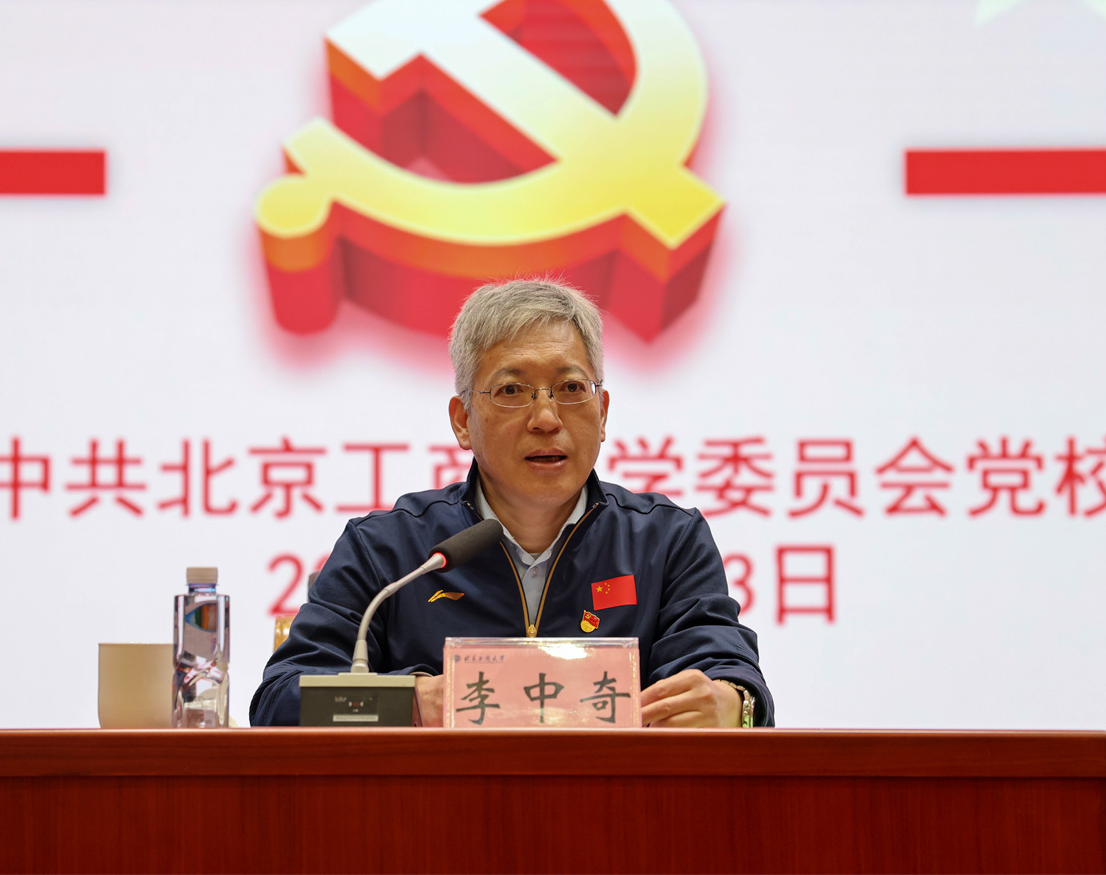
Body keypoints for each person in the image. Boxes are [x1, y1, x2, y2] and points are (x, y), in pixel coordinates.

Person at [250, 279, 774, 727]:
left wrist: (732, 704)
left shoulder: (665, 541)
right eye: (511, 391)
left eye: (571, 387)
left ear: (602, 411)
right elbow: (280, 701)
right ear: (462, 421)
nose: (546, 418)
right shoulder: (391, 550)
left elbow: (729, 676)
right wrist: (407, 702)